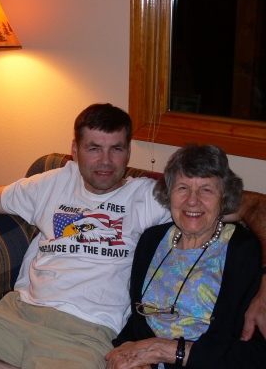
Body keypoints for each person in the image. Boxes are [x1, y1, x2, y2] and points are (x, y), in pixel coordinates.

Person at [0, 103, 266, 368]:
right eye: (94, 148)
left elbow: (252, 207)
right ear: (74, 149)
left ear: (129, 152)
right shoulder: (50, 182)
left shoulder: (154, 196)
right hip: (15, 313)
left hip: (86, 334)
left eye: (116, 149)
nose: (105, 162)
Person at [105, 144, 266, 369]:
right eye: (182, 188)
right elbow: (137, 323)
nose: (192, 200)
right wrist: (122, 353)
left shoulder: (244, 251)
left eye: (206, 190)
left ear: (225, 196)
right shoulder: (151, 240)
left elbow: (257, 356)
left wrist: (168, 351)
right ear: (168, 193)